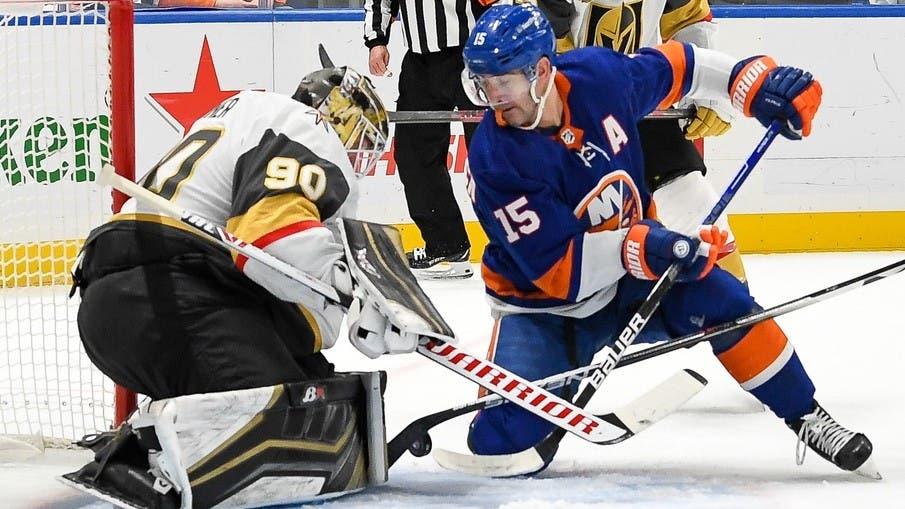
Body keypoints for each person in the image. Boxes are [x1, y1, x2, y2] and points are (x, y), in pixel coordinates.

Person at [460, 3, 878, 478]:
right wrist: (647, 248)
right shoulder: (495, 160)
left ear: (540, 71)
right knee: (498, 446)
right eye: (482, 83)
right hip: (543, 312)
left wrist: (749, 83)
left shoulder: (598, 78)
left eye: (502, 81)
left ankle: (807, 415)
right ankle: (544, 393)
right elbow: (560, 275)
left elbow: (683, 65)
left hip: (629, 284)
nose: (492, 97)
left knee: (721, 296)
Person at [69, 65, 419, 507]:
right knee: (288, 429)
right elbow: (271, 235)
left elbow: (270, 273)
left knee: (312, 388)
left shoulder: (241, 116)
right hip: (171, 296)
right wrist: (354, 286)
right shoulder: (307, 128)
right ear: (338, 117)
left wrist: (340, 304)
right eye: (363, 140)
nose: (359, 157)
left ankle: (157, 436)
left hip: (125, 303)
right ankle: (143, 467)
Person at [364, 0, 486, 280]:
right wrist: (377, 40)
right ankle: (447, 246)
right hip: (420, 62)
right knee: (413, 154)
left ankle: (515, 245)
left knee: (491, 155)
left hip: (475, 54)